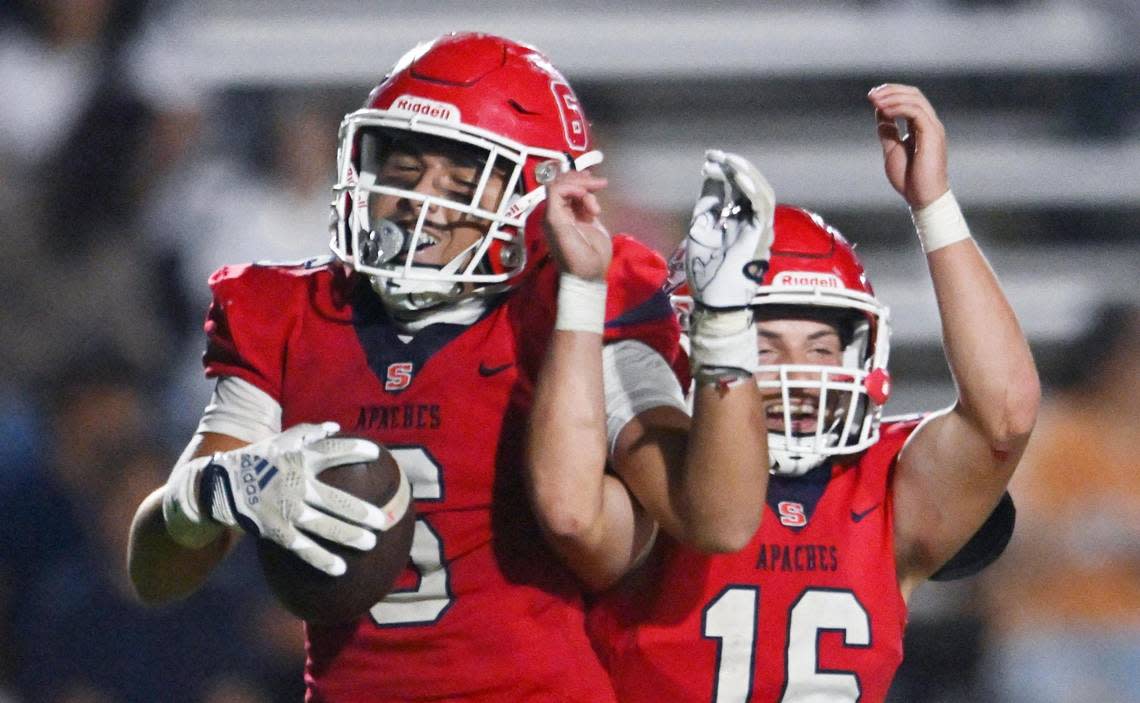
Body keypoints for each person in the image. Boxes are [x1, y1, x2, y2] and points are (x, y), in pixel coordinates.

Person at [127, 32, 760, 702]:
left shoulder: (574, 299)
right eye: (402, 169)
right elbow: (155, 572)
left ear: (533, 200)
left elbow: (710, 515)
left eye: (461, 180)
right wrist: (210, 493)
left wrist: (721, 320)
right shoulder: (284, 310)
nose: (419, 200)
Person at [528, 84, 1040, 702]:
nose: (800, 373)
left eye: (821, 348)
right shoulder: (657, 476)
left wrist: (932, 206)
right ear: (705, 345)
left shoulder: (888, 490)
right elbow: (573, 517)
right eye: (764, 347)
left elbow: (1007, 416)